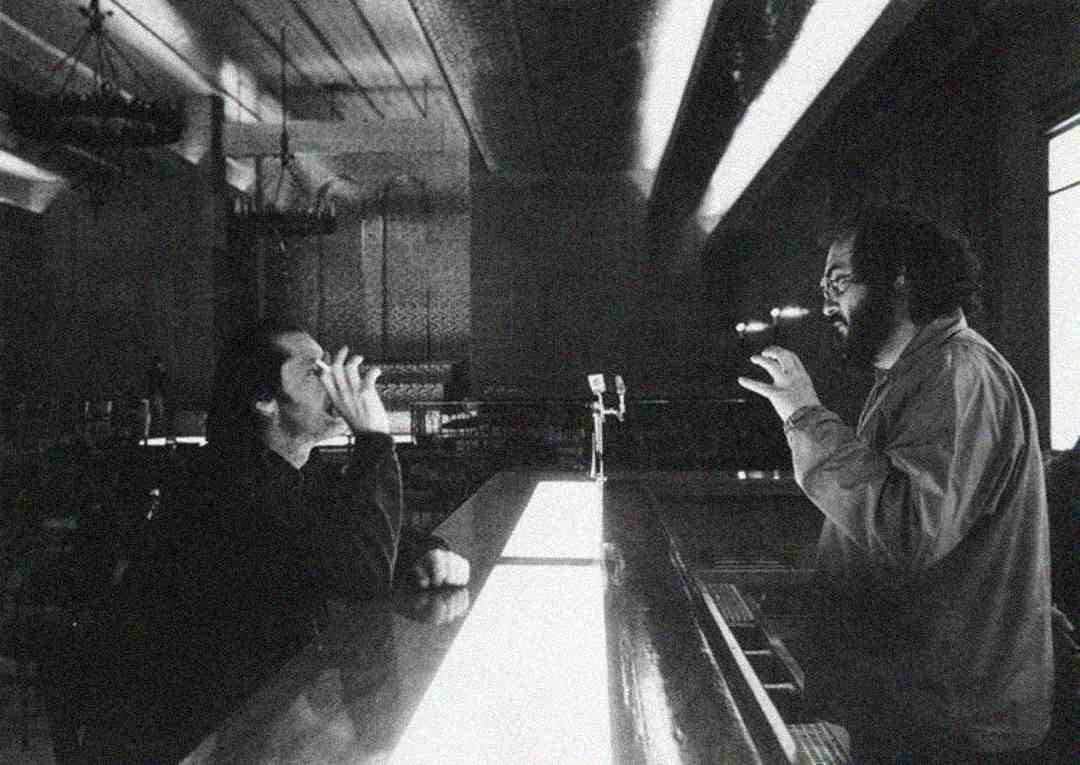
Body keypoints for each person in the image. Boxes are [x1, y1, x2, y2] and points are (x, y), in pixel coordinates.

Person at [44, 319, 470, 762]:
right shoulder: (229, 483)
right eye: (314, 371)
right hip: (185, 736)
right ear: (265, 401)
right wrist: (375, 438)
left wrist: (427, 552)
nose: (334, 381)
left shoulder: (290, 470)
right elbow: (361, 576)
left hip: (251, 710)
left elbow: (353, 534)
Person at [738, 206, 1053, 762]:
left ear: (900, 278)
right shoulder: (922, 370)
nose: (826, 305)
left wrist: (805, 416)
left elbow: (909, 529)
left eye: (838, 284)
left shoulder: (956, 372)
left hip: (952, 727)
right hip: (925, 709)